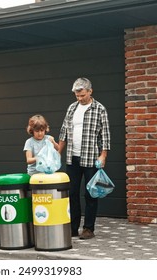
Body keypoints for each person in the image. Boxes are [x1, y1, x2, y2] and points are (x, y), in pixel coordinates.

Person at [58, 77, 111, 239]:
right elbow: (64, 131)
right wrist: (57, 152)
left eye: (82, 95)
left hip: (90, 158)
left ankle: (88, 228)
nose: (79, 98)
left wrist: (103, 155)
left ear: (90, 91)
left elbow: (105, 135)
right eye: (77, 95)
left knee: (90, 194)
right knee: (72, 193)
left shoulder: (99, 109)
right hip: (72, 158)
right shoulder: (72, 108)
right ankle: (73, 228)